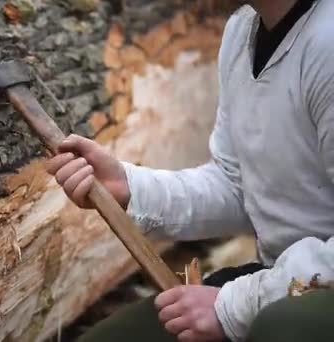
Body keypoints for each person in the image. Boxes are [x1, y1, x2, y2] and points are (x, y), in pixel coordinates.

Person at [46, 0, 334, 341]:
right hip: (280, 282)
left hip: (306, 296)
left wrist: (234, 306)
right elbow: (237, 186)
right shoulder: (243, 30)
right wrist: (130, 187)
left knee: (285, 327)